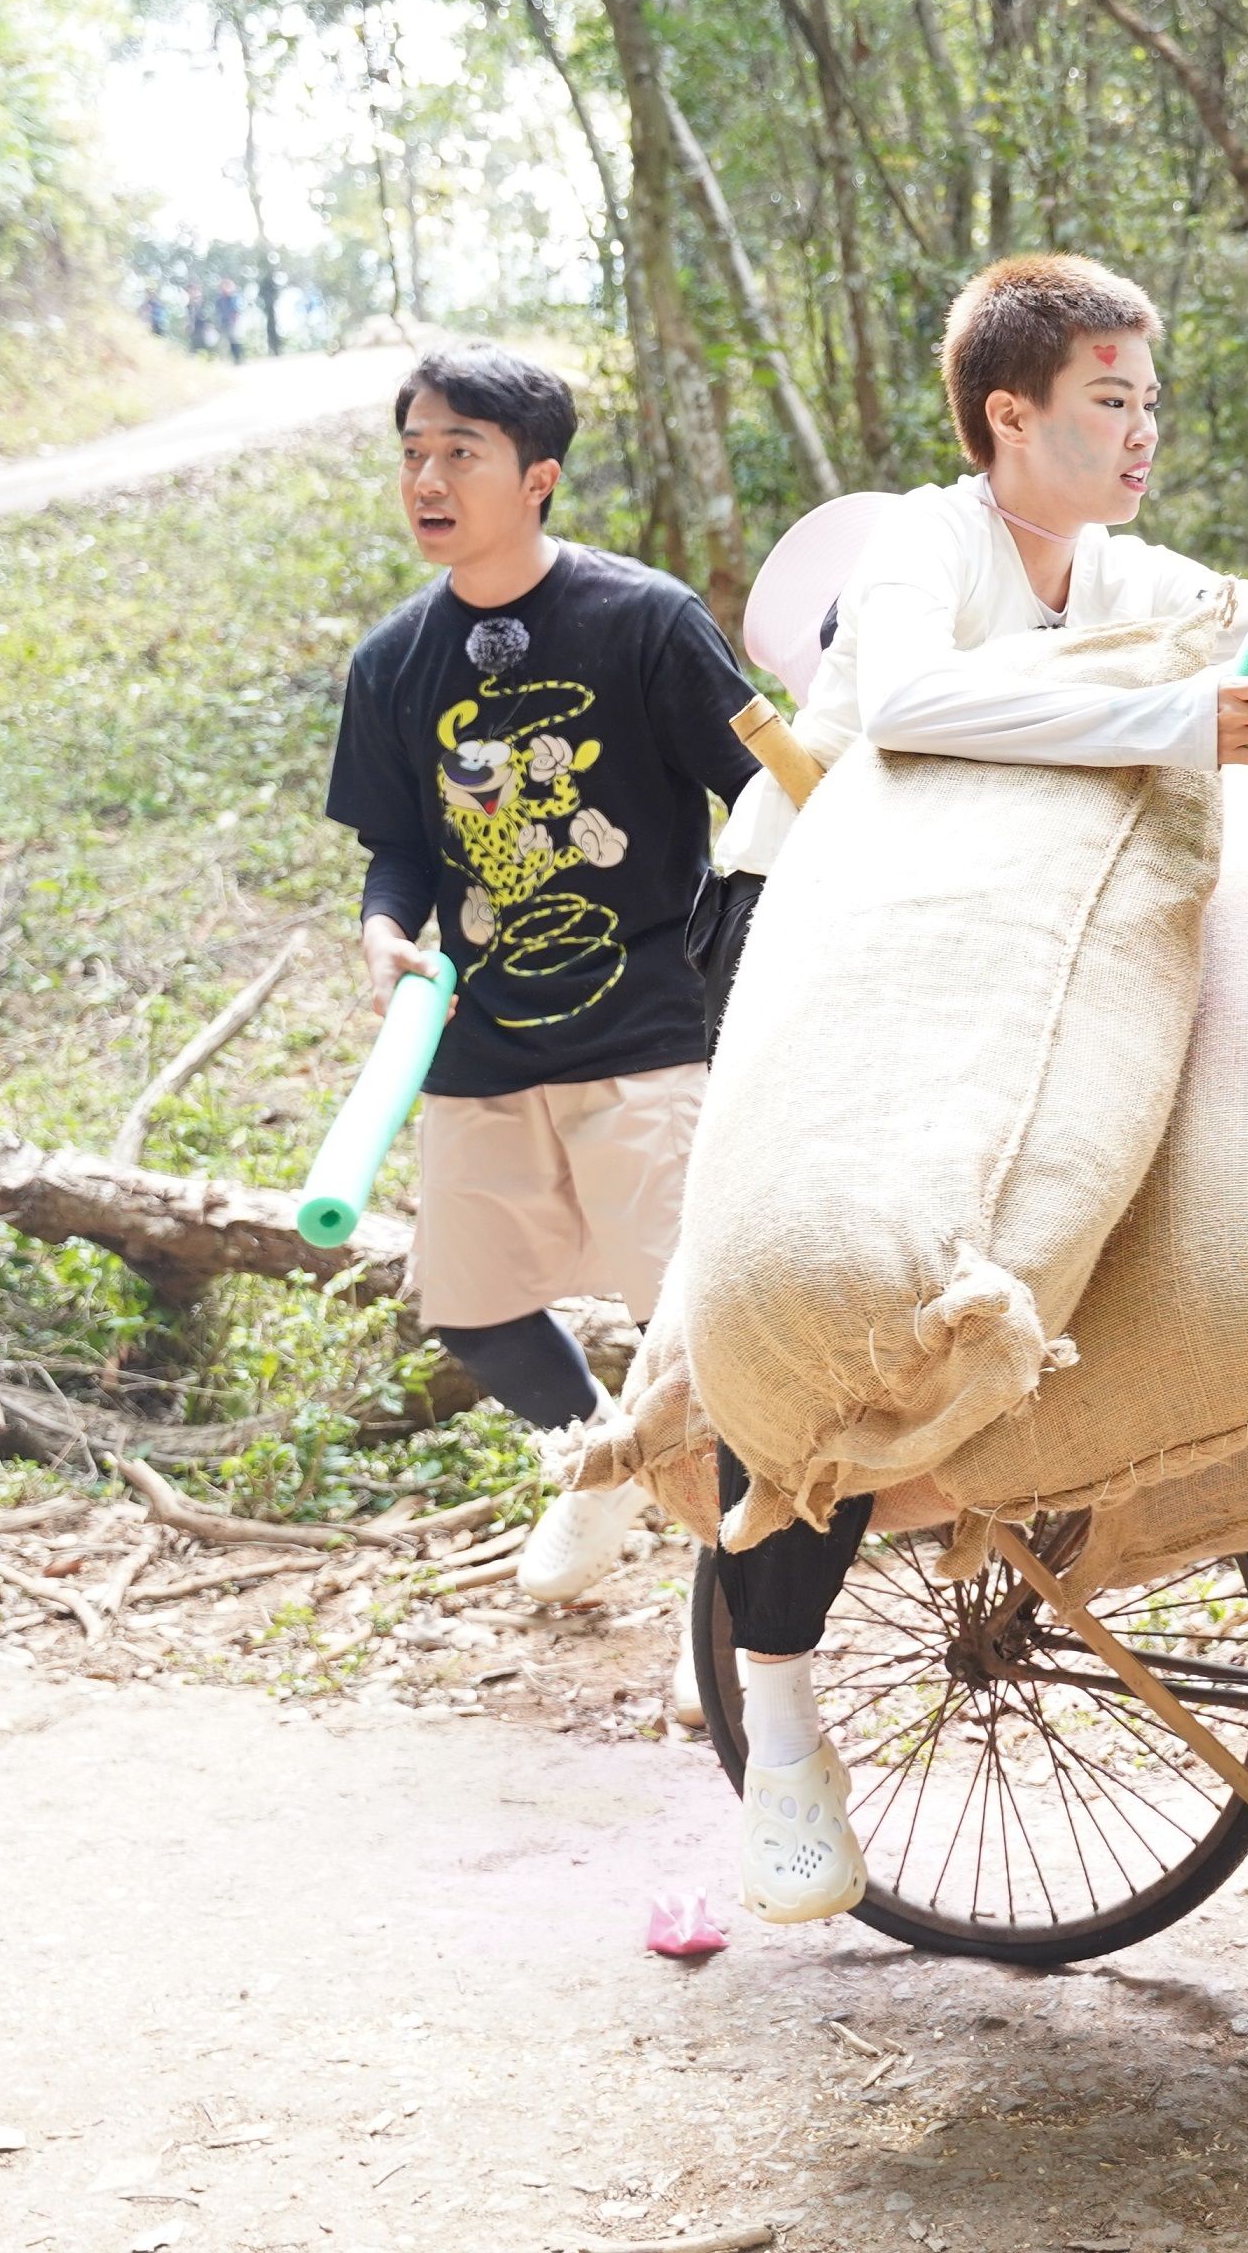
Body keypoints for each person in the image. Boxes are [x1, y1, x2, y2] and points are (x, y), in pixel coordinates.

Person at [693, 251, 1248, 1925]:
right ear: (1005, 417)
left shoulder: (1114, 569)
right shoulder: (929, 539)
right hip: (805, 933)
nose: (1143, 433)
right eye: (1111, 402)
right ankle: (779, 1716)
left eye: (1150, 402)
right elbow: (899, 703)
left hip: (1002, 964)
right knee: (826, 1304)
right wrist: (1168, 713)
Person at [322, 344, 761, 1616]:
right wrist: (384, 929)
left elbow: (768, 798)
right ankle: (600, 1466)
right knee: (469, 1306)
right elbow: (398, 848)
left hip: (651, 1026)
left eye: (461, 452)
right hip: (481, 1035)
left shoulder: (647, 622)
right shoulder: (393, 663)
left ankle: (734, 1614)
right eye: (414, 452)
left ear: (540, 476)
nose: (429, 479)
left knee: (698, 1332)